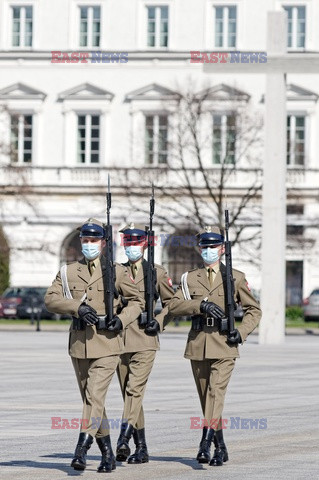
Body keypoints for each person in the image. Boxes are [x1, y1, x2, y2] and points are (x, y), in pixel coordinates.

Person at [44, 218, 144, 473]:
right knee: (93, 402)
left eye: (93, 240)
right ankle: (108, 454)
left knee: (94, 396)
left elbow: (137, 302)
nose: (88, 244)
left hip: (108, 343)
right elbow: (51, 300)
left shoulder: (116, 271)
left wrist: (121, 321)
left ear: (103, 242)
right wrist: (77, 307)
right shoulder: (68, 272)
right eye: (85, 240)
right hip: (79, 344)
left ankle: (82, 447)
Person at [168, 226, 261, 467]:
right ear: (200, 248)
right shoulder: (189, 278)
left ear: (222, 248)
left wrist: (240, 333)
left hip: (224, 343)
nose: (209, 250)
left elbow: (254, 310)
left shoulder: (235, 277)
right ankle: (221, 447)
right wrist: (200, 305)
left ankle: (204, 442)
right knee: (206, 399)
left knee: (215, 393)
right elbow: (174, 307)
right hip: (198, 343)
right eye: (205, 246)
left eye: (213, 246)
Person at [115, 223, 175, 464]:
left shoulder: (156, 272)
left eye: (135, 243)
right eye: (127, 243)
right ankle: (141, 447)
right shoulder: (116, 271)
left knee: (134, 390)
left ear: (144, 244)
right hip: (118, 339)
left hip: (145, 337)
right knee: (129, 396)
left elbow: (173, 303)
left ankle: (123, 438)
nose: (131, 247)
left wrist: (159, 322)